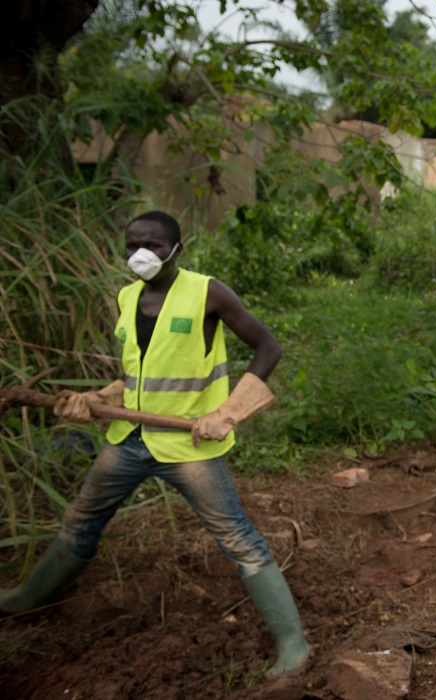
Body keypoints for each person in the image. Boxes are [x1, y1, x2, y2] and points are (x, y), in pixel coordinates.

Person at [0, 210, 310, 678]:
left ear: (176, 250)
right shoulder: (127, 296)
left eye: (154, 245)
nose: (140, 254)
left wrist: (227, 413)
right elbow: (135, 376)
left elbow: (268, 347)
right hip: (128, 440)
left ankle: (293, 645)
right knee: (81, 518)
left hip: (188, 448)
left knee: (239, 541)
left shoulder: (208, 292)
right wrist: (95, 399)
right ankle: (27, 600)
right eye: (131, 244)